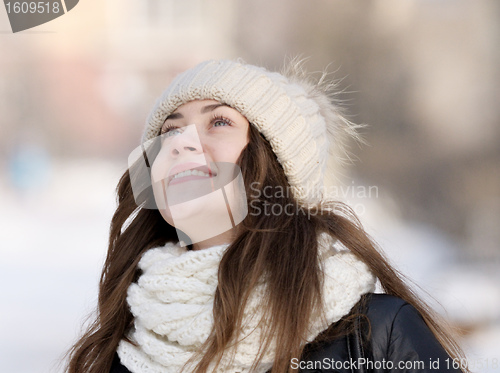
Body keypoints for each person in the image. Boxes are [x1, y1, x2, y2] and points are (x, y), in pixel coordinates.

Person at [66, 59, 468, 373]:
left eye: (218, 122)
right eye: (169, 132)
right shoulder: (125, 348)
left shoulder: (376, 335)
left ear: (275, 162)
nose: (182, 144)